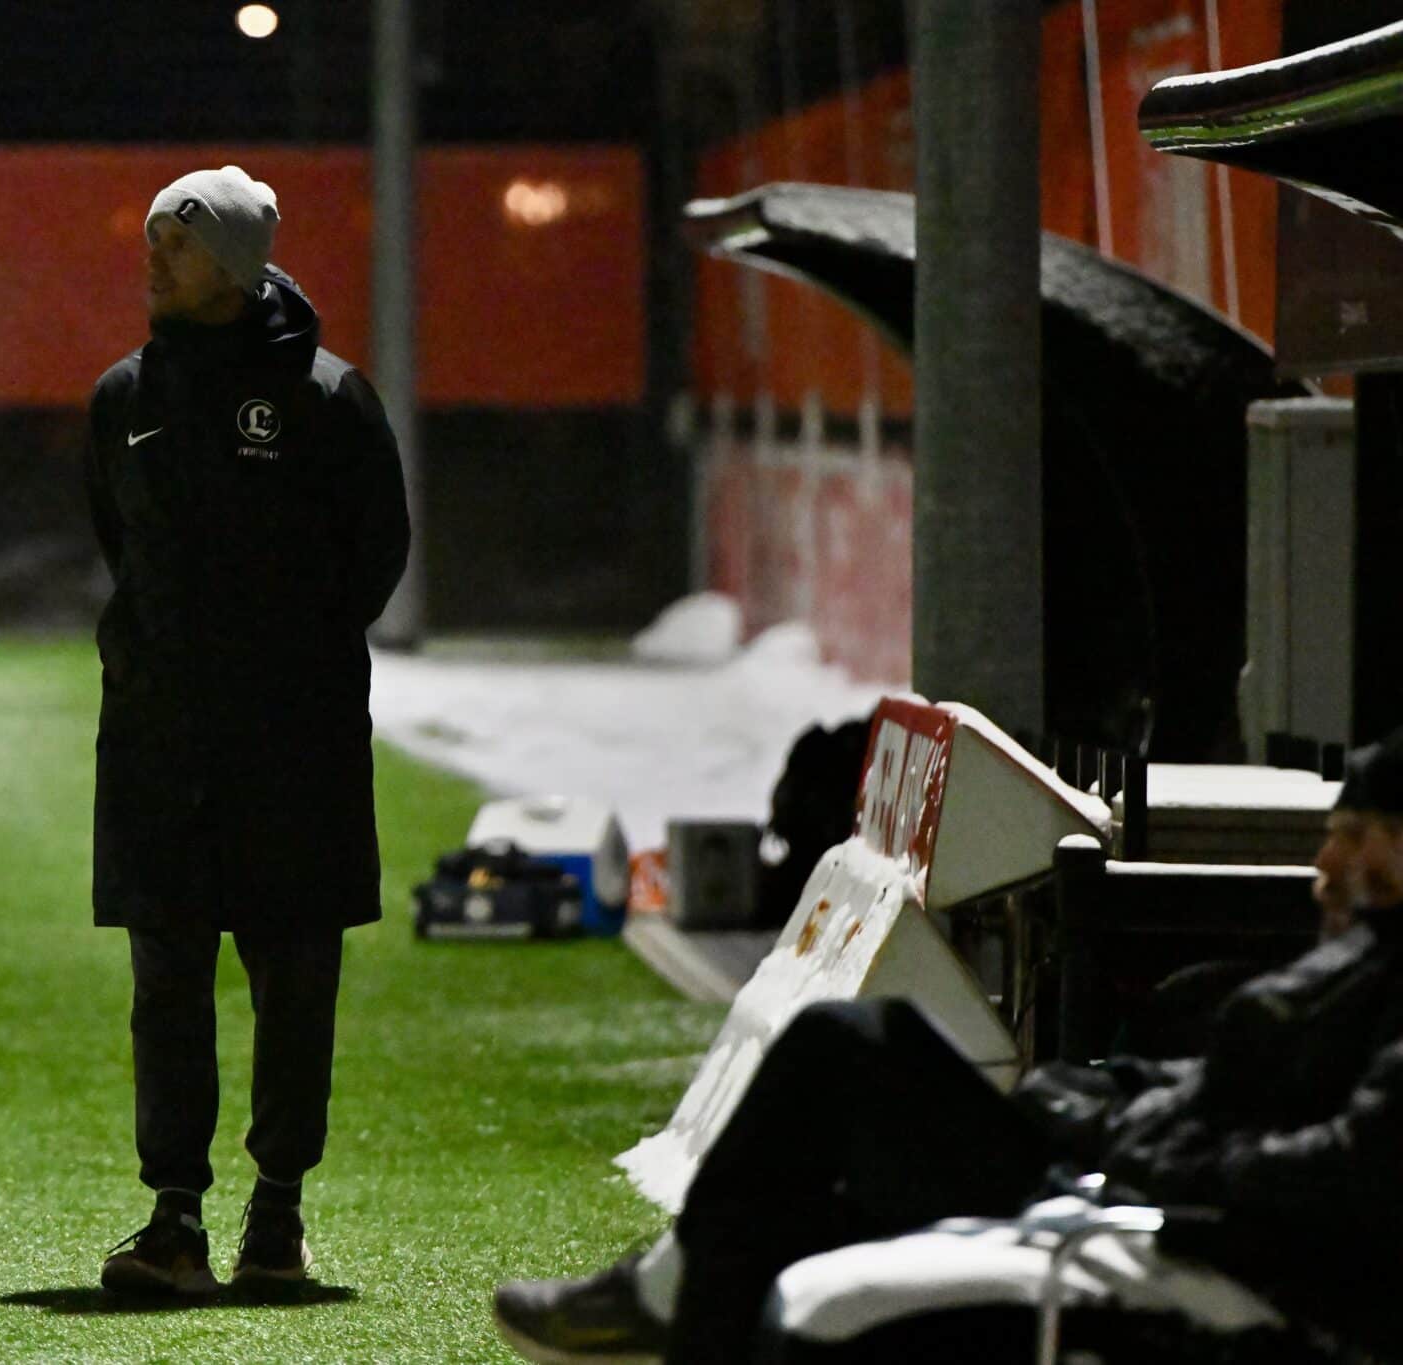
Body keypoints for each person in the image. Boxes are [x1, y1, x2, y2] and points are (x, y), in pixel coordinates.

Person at [494, 729, 1403, 1363]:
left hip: (1181, 1229)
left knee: (847, 1043)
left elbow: (1344, 1170)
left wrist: (1148, 1148)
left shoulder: (1378, 988)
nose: (1326, 866)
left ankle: (666, 1293)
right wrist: (1103, 1100)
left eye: (1358, 838)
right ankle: (673, 1290)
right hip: (1138, 1187)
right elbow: (1223, 1091)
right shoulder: (1360, 967)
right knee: (814, 1154)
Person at [84, 166, 410, 1295]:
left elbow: (375, 555)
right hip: (158, 743)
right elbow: (118, 549)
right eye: (150, 240)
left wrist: (285, 670)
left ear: (229, 265)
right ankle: (173, 1219)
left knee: (293, 976)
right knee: (164, 979)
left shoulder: (326, 396)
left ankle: (277, 1216)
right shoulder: (121, 396)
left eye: (171, 244)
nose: (150, 261)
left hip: (293, 746)